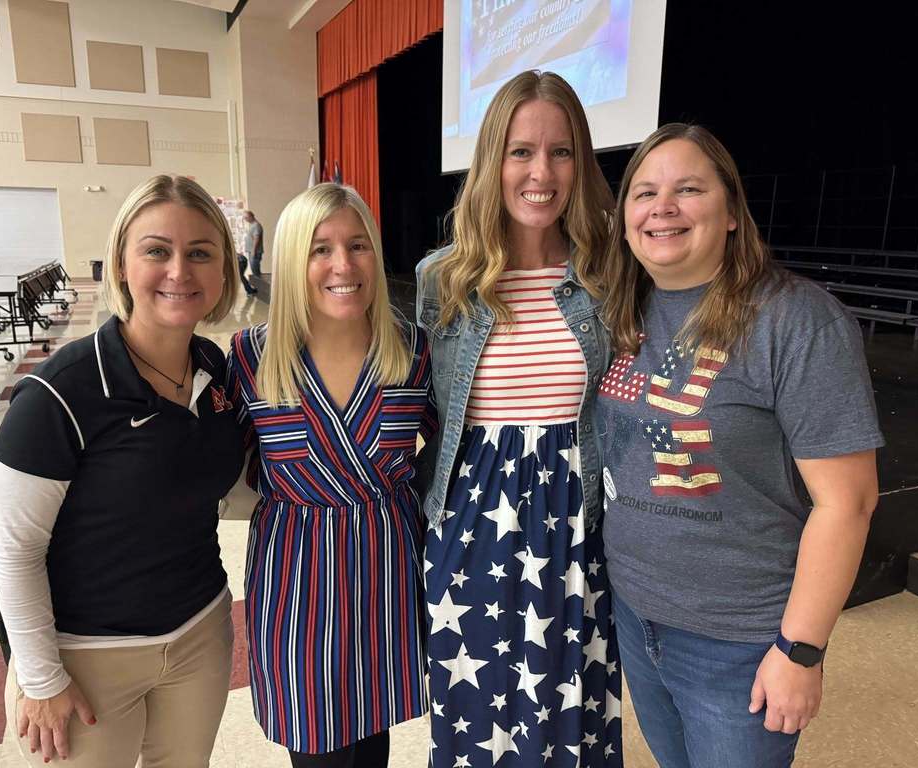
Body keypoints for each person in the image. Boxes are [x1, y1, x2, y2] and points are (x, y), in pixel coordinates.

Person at [596, 123, 884, 767]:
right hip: (638, 615)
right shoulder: (626, 314)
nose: (662, 207)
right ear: (623, 220)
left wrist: (800, 651)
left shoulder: (795, 319)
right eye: (644, 193)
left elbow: (849, 503)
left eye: (688, 189)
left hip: (739, 639)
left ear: (730, 212)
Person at [0, 174, 244, 767]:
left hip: (198, 638)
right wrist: (41, 678)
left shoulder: (215, 371)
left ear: (223, 271)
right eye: (157, 250)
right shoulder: (60, 392)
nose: (179, 270)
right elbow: (16, 549)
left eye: (200, 253)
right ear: (122, 266)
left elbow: (220, 487)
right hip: (84, 657)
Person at [415, 70, 623, 766]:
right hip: (471, 524)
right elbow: (420, 408)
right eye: (520, 151)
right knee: (476, 713)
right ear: (491, 162)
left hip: (573, 523)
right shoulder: (442, 279)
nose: (541, 172)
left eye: (561, 152)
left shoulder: (608, 274)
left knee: (569, 708)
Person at [225, 183, 436, 767]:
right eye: (320, 249)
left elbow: (451, 454)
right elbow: (217, 467)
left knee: (372, 747)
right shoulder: (250, 358)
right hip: (296, 583)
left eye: (358, 245)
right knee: (314, 751)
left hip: (384, 578)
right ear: (294, 260)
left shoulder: (415, 353)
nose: (343, 265)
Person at [244, 209, 264, 289]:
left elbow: (257, 238)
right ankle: (258, 287)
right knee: (254, 270)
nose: (245, 219)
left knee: (256, 271)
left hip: (254, 252)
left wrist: (253, 251)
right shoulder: (252, 225)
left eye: (246, 217)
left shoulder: (256, 225)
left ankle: (260, 288)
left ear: (251, 216)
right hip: (252, 251)